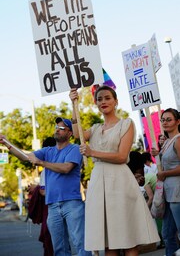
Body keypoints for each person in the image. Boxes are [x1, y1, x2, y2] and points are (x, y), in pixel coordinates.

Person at [69, 85, 160, 256]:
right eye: (99, 99)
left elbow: (121, 156)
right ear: (96, 103)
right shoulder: (95, 128)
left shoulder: (126, 124)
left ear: (115, 101)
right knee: (109, 241)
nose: (103, 101)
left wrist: (92, 152)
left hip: (120, 180)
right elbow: (76, 133)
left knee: (127, 235)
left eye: (107, 98)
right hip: (98, 182)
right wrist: (74, 104)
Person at [0, 118, 91, 256]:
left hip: (72, 203)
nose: (57, 129)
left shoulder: (75, 149)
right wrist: (7, 144)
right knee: (59, 247)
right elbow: (25, 157)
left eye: (61, 128)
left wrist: (42, 162)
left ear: (70, 133)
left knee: (80, 244)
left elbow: (66, 168)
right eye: (56, 127)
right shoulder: (47, 151)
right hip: (52, 205)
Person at [151, 108, 180, 256]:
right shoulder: (167, 142)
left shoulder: (178, 140)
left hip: (177, 193)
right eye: (163, 120)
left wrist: (164, 173)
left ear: (178, 121)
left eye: (169, 119)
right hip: (167, 195)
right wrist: (158, 155)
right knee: (167, 235)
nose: (165, 122)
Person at [28, 137, 56, 256]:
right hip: (62, 207)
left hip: (51, 209)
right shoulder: (62, 165)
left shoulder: (47, 169)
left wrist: (36, 188)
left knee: (51, 240)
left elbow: (44, 192)